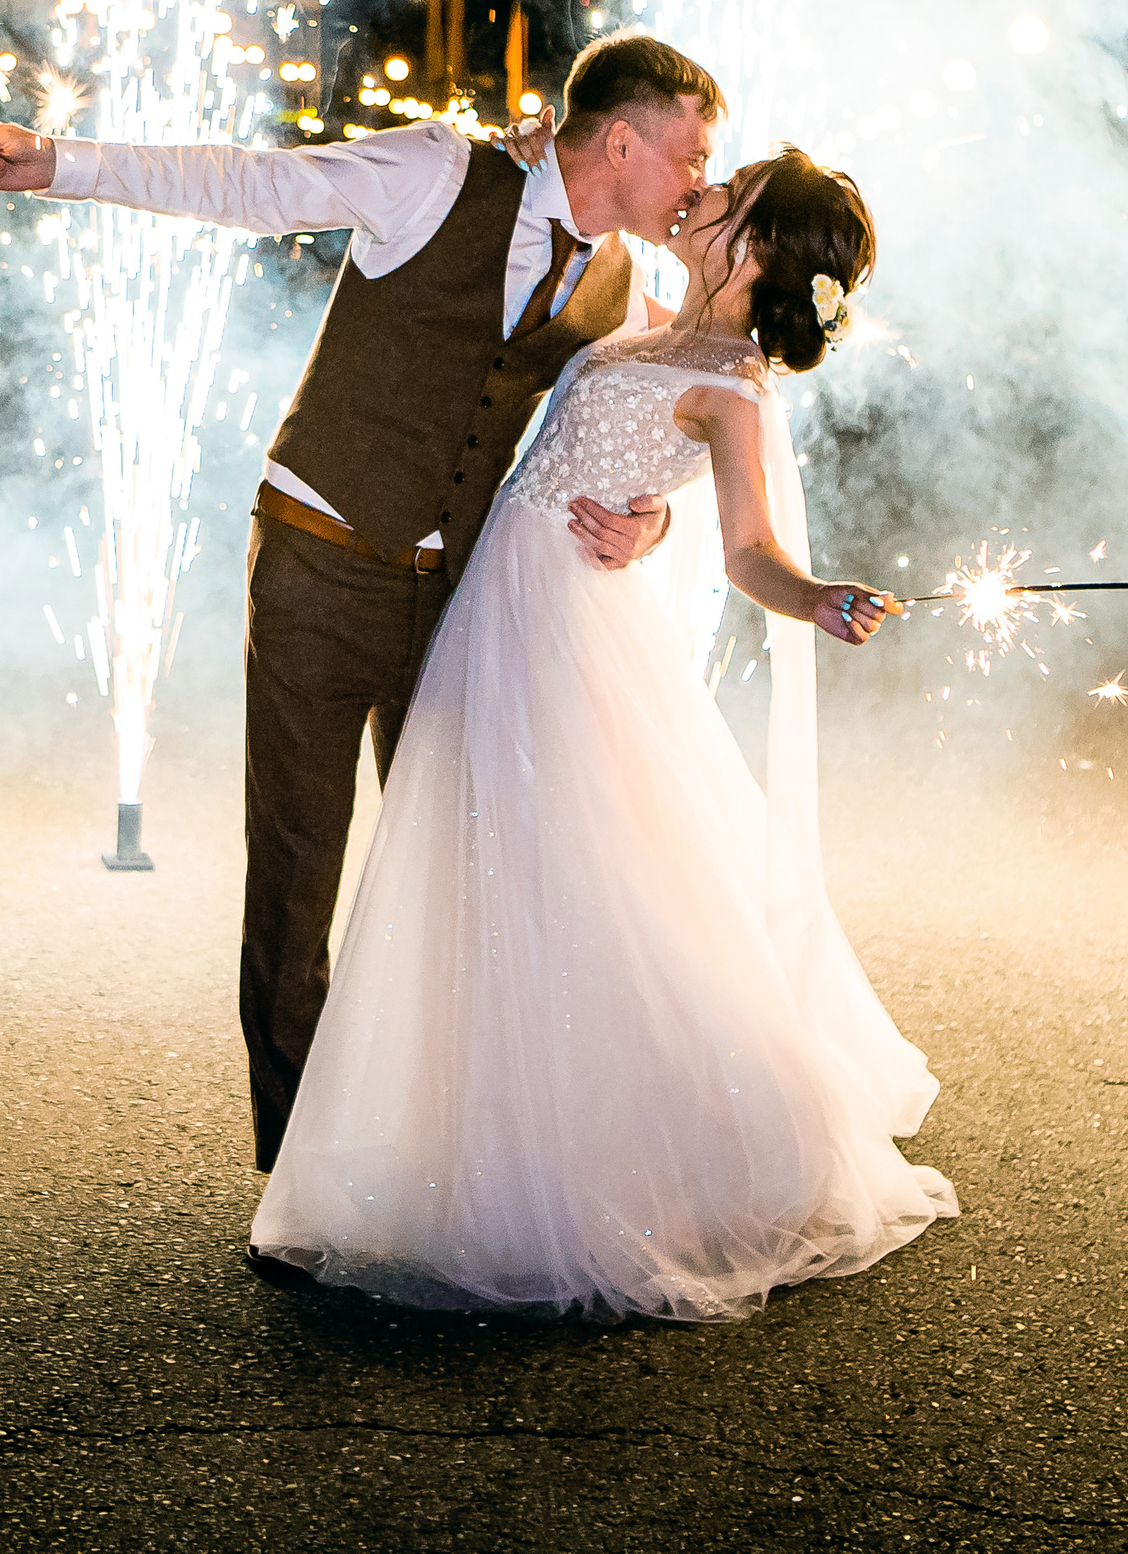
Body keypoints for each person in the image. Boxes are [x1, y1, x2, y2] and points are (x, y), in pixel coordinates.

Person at [0, 33, 723, 1194]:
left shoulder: (624, 289)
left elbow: (625, 445)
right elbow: (252, 184)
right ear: (622, 138)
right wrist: (59, 161)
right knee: (299, 870)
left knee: (464, 868)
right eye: (693, 155)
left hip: (462, 603)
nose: (702, 184)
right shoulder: (435, 171)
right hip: (317, 559)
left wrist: (653, 527)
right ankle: (298, 1173)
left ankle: (444, 1145)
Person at [250, 147, 958, 1322]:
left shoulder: (732, 383)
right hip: (500, 601)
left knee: (568, 881)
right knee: (492, 874)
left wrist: (815, 596)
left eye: (727, 197)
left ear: (759, 252)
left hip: (562, 633)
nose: (703, 194)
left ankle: (590, 1159)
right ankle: (465, 1130)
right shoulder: (636, 305)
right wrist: (648, 522)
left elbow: (747, 548)